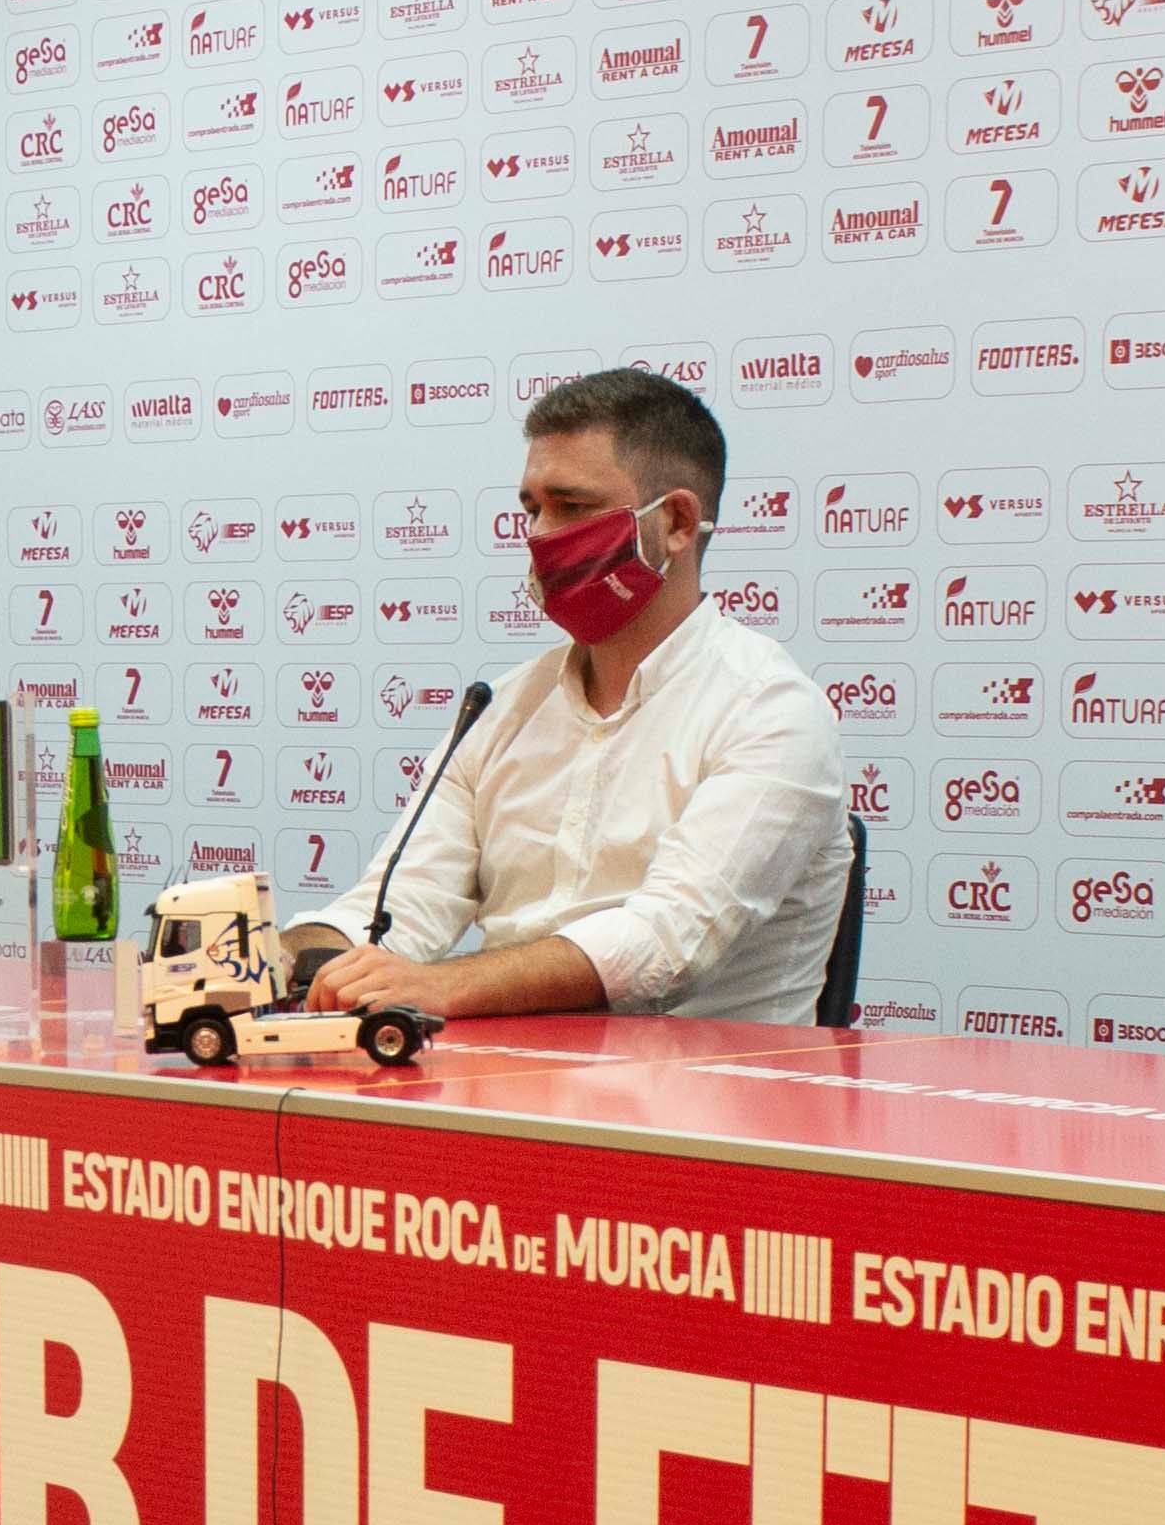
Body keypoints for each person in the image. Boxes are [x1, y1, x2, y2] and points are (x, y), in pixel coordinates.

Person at [286, 366, 854, 1030]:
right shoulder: (498, 708)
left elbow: (662, 948)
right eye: (532, 508)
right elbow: (393, 911)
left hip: (707, 1107)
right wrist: (280, 959)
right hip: (499, 1089)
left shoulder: (772, 711)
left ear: (674, 522)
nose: (539, 535)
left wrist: (438, 986)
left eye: (571, 506)